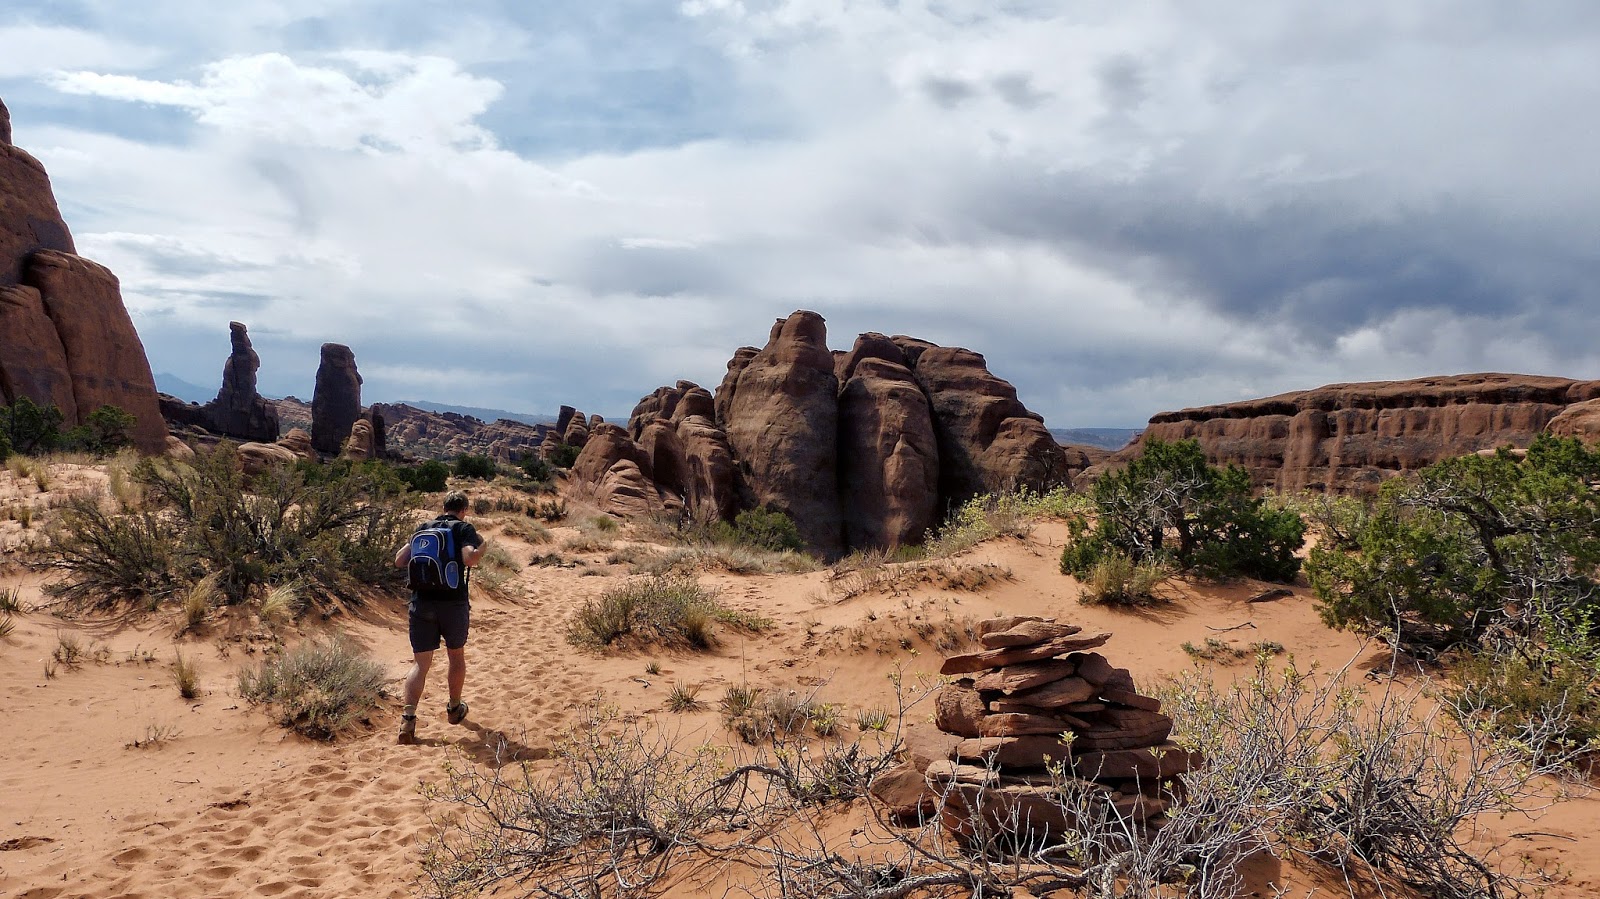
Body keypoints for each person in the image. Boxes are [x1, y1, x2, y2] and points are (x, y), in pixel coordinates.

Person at [393, 490, 486, 745]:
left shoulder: (424, 527)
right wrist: (484, 544)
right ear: (464, 509)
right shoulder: (463, 529)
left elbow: (400, 560)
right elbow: (471, 559)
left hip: (421, 602)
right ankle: (455, 708)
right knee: (455, 656)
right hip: (453, 604)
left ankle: (408, 719)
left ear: (443, 507)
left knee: (420, 664)